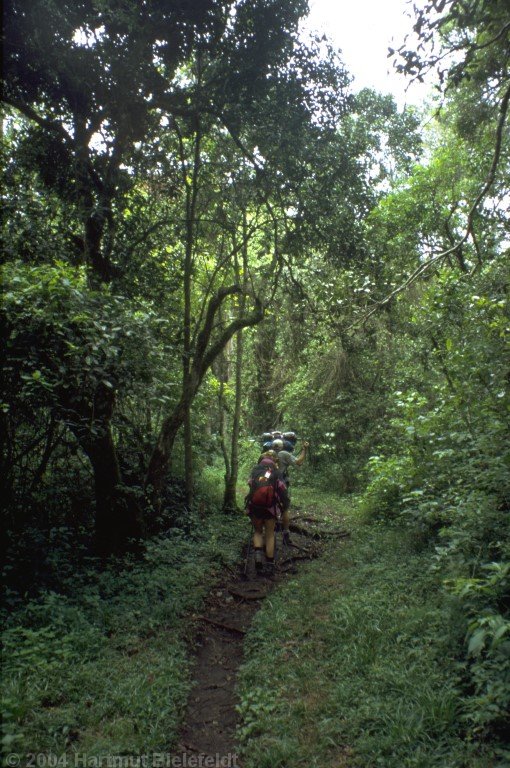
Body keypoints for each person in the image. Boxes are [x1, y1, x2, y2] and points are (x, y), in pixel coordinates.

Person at [246, 451, 289, 576]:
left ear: (262, 459)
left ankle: (258, 557)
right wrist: (285, 505)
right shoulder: (277, 472)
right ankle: (269, 565)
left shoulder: (255, 470)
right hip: (270, 508)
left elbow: (250, 484)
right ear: (274, 460)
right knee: (269, 534)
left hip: (255, 507)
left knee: (258, 531)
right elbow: (282, 489)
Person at [270, 438, 309, 545]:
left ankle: (269, 534)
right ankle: (286, 535)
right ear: (282, 446)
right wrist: (304, 449)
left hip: (267, 485)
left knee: (270, 507)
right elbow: (299, 462)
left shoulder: (267, 454)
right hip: (280, 485)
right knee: (285, 509)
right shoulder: (283, 454)